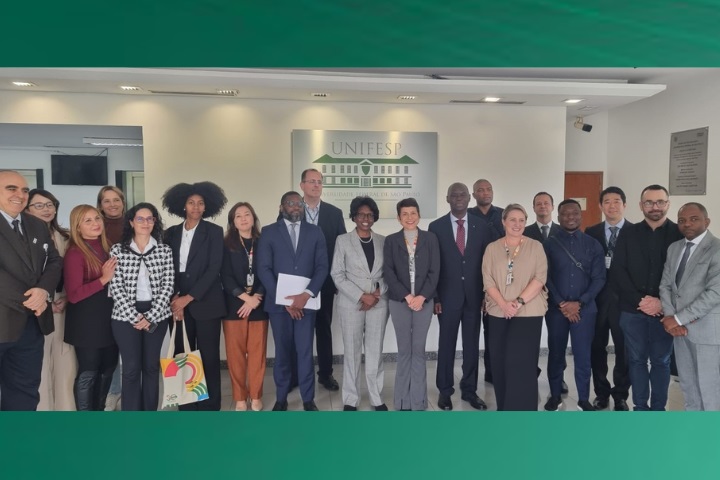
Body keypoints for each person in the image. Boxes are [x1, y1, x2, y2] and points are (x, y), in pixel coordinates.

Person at [610, 184, 682, 411]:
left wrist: (661, 303)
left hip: (666, 312)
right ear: (641, 206)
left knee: (662, 362)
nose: (655, 207)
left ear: (668, 204)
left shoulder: (679, 234)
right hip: (633, 311)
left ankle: (658, 409)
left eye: (660, 202)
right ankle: (640, 407)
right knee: (637, 361)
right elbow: (618, 271)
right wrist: (641, 302)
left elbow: (683, 275)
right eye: (649, 202)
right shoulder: (628, 233)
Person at [257, 191, 328, 411]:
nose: (296, 206)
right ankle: (281, 398)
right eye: (290, 203)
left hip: (307, 305)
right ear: (281, 207)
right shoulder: (268, 232)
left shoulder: (315, 232)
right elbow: (264, 268)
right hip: (279, 308)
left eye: (299, 203)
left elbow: (322, 267)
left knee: (305, 351)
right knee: (283, 352)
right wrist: (285, 301)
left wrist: (306, 295)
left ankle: (308, 399)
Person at [0, 170, 62, 411]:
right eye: (11, 188)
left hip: (31, 326)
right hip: (5, 317)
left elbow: (55, 261)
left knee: (25, 390)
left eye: (25, 190)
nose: (20, 194)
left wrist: (43, 291)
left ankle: (18, 443)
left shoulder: (36, 225)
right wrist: (32, 299)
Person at [163, 181, 227, 411]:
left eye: (200, 203)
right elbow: (166, 269)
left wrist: (188, 297)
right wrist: (175, 298)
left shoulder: (214, 232)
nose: (196, 207)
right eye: (191, 203)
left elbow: (214, 269)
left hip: (206, 302)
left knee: (208, 356)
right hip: (177, 304)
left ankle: (210, 406)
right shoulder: (169, 234)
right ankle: (188, 404)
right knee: (183, 356)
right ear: (183, 206)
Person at [429, 183, 493, 411]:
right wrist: (435, 297)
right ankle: (445, 391)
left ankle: (470, 391)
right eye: (454, 195)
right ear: (447, 198)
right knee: (446, 345)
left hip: (475, 298)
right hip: (446, 298)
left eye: (462, 194)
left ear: (469, 198)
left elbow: (488, 265)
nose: (458, 198)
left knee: (471, 346)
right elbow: (433, 266)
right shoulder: (435, 227)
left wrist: (487, 295)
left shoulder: (482, 226)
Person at [108, 202, 174, 411]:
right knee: (131, 368)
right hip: (125, 317)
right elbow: (115, 286)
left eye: (150, 219)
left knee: (151, 366)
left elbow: (168, 285)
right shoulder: (118, 250)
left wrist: (151, 317)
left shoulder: (164, 250)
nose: (145, 223)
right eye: (140, 218)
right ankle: (132, 415)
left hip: (157, 315)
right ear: (131, 222)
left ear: (155, 222)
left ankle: (149, 414)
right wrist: (135, 317)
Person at [482, 204, 548, 411]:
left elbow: (540, 278)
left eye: (521, 220)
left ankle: (524, 413)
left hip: (528, 312)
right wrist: (503, 305)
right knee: (500, 362)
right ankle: (505, 410)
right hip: (498, 312)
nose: (517, 224)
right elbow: (488, 280)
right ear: (503, 222)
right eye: (512, 219)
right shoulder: (492, 248)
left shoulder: (535, 246)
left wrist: (518, 303)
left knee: (522, 363)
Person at [543, 199, 606, 411]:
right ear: (558, 217)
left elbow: (599, 279)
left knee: (583, 356)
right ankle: (554, 396)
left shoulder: (593, 244)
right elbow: (545, 277)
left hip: (585, 311)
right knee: (556, 354)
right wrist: (562, 302)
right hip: (556, 310)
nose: (570, 217)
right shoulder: (549, 244)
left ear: (581, 215)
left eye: (575, 213)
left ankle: (583, 399)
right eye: (565, 214)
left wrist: (579, 303)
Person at [660, 203, 720, 410]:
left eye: (694, 219)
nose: (687, 224)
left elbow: (714, 293)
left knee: (710, 388)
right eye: (682, 220)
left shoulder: (717, 249)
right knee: (688, 385)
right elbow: (666, 285)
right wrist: (670, 318)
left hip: (706, 333)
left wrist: (677, 319)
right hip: (679, 332)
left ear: (707, 221)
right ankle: (693, 430)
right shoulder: (674, 248)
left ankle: (711, 436)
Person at [331, 196, 389, 411]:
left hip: (379, 303)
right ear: (354, 217)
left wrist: (376, 294)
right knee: (352, 352)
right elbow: (337, 274)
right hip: (351, 304)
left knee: (375, 351)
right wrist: (361, 296)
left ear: (374, 217)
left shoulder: (384, 241)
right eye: (361, 214)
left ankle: (376, 397)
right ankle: (350, 399)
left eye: (370, 215)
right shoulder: (342, 241)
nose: (366, 218)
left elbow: (389, 273)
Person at [383, 198, 440, 411]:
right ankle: (401, 401)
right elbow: (388, 272)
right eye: (404, 214)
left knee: (418, 349)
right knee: (404, 349)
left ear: (419, 215)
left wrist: (422, 296)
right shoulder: (391, 241)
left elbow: (435, 271)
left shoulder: (430, 239)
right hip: (400, 302)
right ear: (398, 218)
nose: (409, 217)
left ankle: (418, 401)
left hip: (424, 301)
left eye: (413, 213)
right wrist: (407, 296)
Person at [25, 188, 76, 411]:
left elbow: (73, 273)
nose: (47, 209)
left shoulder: (66, 237)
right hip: (32, 309)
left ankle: (66, 414)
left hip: (63, 306)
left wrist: (64, 298)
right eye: (39, 205)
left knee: (66, 364)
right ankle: (42, 412)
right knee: (39, 364)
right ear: (26, 209)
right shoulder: (20, 239)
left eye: (50, 205)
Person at [63, 204, 118, 410]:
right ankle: (86, 422)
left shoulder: (107, 248)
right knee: (89, 371)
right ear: (77, 227)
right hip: (86, 323)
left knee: (108, 369)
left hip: (109, 320)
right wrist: (103, 279)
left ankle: (99, 414)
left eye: (97, 218)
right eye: (88, 220)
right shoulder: (75, 253)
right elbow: (74, 295)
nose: (95, 223)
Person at [298, 168, 346, 391]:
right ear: (302, 185)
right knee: (299, 330)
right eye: (311, 181)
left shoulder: (334, 213)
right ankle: (298, 375)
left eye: (319, 182)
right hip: (297, 284)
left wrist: (338, 280)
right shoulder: (291, 209)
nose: (316, 185)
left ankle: (325, 374)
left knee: (323, 328)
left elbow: (341, 248)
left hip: (325, 282)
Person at [585, 186, 632, 411]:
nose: (611, 206)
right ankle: (601, 393)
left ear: (624, 204)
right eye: (607, 201)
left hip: (625, 302)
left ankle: (621, 394)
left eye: (616, 201)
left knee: (624, 349)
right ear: (600, 206)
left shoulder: (635, 232)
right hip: (598, 301)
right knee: (597, 347)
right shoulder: (591, 232)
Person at [221, 202, 268, 412]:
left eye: (247, 214)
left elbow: (269, 271)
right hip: (234, 307)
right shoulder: (226, 244)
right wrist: (244, 298)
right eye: (238, 216)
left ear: (253, 217)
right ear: (233, 221)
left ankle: (256, 395)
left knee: (257, 355)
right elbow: (225, 275)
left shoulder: (263, 242)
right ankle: (240, 397)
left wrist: (256, 296)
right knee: (236, 356)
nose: (243, 218)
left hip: (258, 305)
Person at [523, 191, 566, 392]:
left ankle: (559, 378)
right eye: (538, 203)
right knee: (530, 339)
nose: (542, 206)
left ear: (552, 206)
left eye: (546, 203)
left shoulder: (564, 231)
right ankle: (530, 374)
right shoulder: (525, 231)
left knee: (557, 341)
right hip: (532, 294)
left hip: (558, 294)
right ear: (533, 208)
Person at [467, 178, 503, 384]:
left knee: (494, 330)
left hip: (497, 281)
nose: (485, 193)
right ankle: (470, 377)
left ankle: (492, 372)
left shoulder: (502, 214)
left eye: (488, 189)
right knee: (472, 331)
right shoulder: (468, 215)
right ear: (474, 195)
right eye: (480, 190)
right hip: (472, 280)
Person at [97, 185, 126, 411]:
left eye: (116, 200)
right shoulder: (95, 226)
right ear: (100, 205)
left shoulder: (133, 224)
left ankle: (126, 391)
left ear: (123, 202)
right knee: (108, 345)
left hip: (130, 296)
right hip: (100, 295)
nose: (112, 204)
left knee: (129, 348)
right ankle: (112, 391)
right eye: (107, 201)